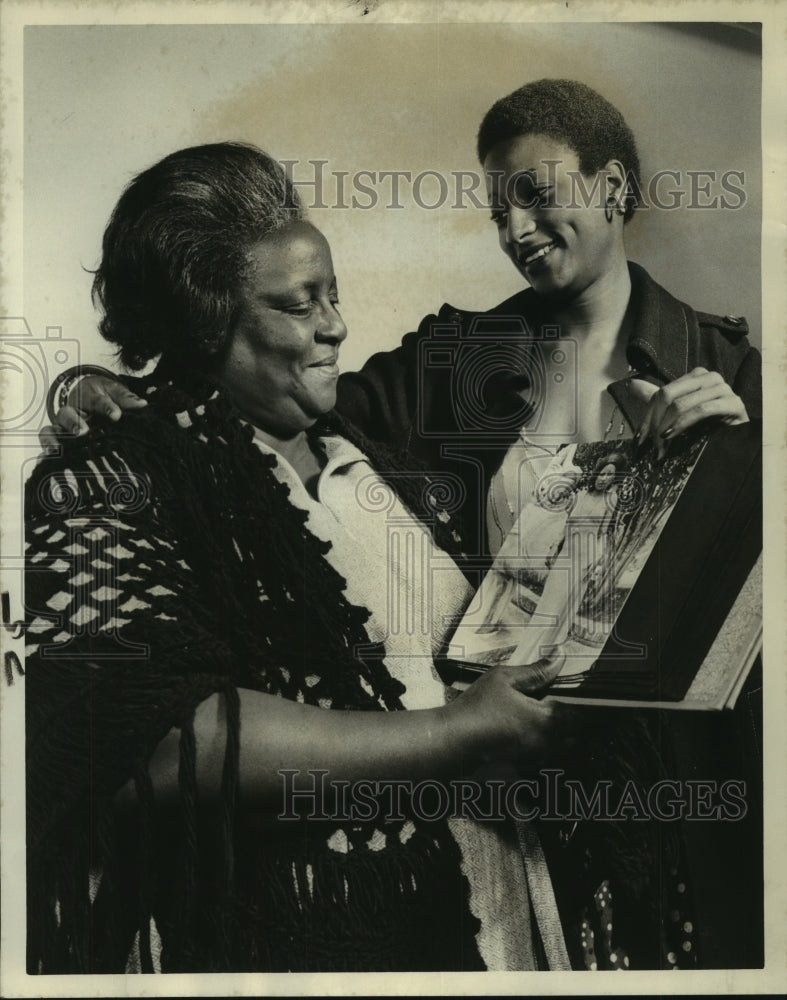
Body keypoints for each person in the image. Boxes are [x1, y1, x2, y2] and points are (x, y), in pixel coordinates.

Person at [45, 79, 762, 969]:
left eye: (536, 194)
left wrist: (706, 472)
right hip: (481, 806)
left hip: (657, 799)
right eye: (498, 206)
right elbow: (264, 415)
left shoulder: (726, 367)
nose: (515, 228)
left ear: (613, 186)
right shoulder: (457, 358)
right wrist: (110, 390)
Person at [25, 142, 582, 975]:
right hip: (322, 946)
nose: (336, 326)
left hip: (507, 917)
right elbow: (156, 737)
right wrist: (450, 735)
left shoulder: (381, 463)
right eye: (299, 304)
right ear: (203, 319)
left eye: (334, 295)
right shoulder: (119, 475)